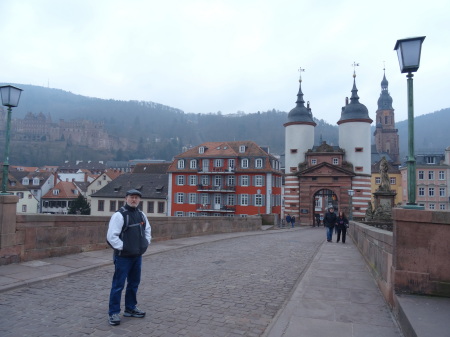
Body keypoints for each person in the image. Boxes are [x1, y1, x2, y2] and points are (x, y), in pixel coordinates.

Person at [107, 189, 152, 326]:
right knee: (118, 285)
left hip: (137, 256)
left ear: (139, 200)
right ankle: (113, 312)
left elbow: (148, 231)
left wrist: (144, 244)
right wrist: (125, 248)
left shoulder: (141, 215)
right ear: (126, 198)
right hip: (123, 257)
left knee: (134, 283)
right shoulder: (119, 215)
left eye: (136, 198)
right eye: (132, 197)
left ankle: (130, 308)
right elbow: (111, 237)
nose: (134, 200)